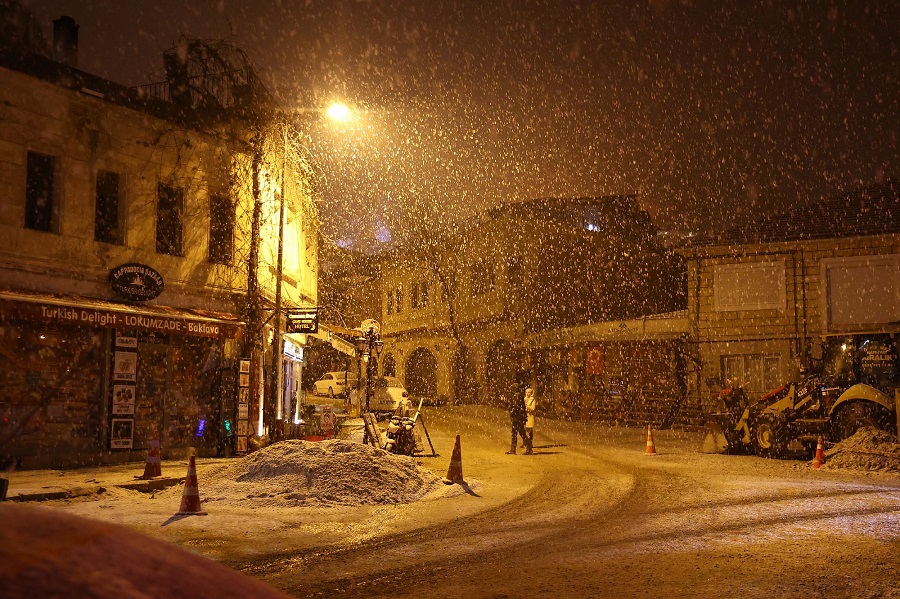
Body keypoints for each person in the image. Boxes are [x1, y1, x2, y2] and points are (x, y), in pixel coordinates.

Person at [506, 359, 530, 454]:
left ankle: (528, 447)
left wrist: (512, 413)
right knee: (516, 433)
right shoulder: (518, 395)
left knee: (519, 433)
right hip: (518, 417)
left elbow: (516, 407)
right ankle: (514, 449)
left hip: (517, 417)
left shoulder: (517, 396)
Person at [523, 386, 536, 454]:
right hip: (525, 417)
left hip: (530, 417)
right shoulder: (524, 399)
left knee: (529, 431)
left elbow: (533, 408)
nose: (527, 394)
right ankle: (525, 443)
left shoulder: (532, 400)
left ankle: (529, 445)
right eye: (526, 392)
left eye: (529, 392)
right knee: (525, 430)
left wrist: (527, 408)